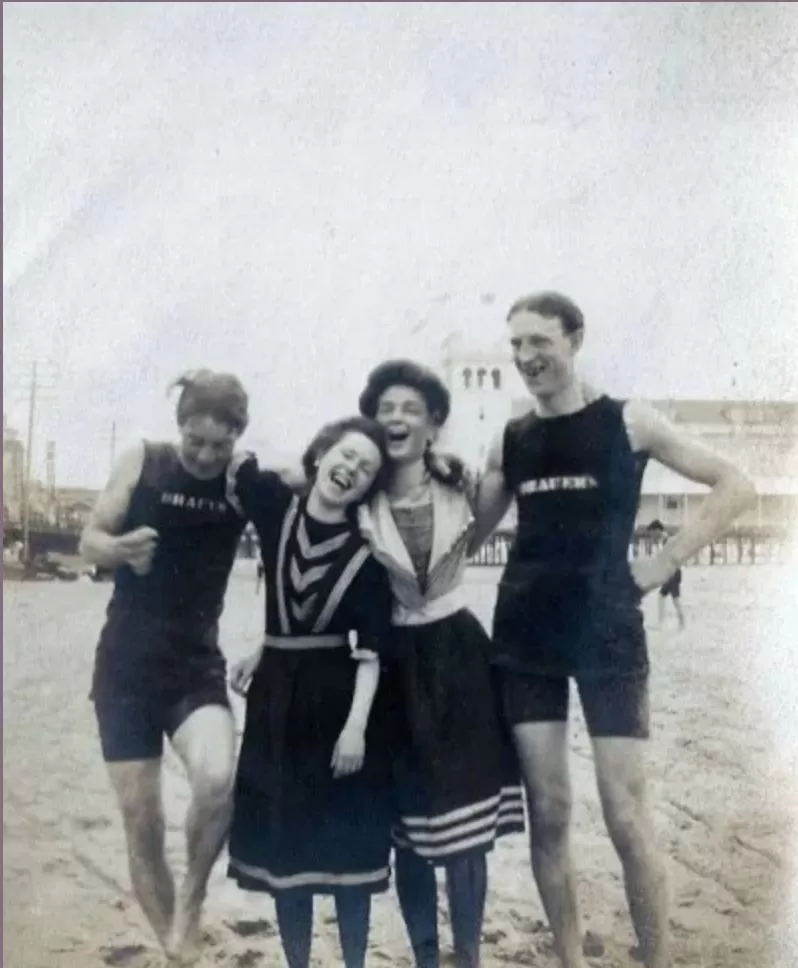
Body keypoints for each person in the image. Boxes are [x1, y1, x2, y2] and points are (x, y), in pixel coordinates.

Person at [474, 292, 756, 968]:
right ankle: (570, 960)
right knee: (549, 809)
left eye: (538, 341)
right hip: (525, 635)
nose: (525, 357)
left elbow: (736, 485)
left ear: (574, 340)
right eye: (515, 344)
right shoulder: (509, 438)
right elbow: (471, 531)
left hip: (608, 633)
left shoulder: (628, 421)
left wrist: (663, 561)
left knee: (626, 815)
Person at [357, 360, 526, 968]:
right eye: (386, 409)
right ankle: (427, 959)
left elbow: (505, 486)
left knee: (464, 830)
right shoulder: (359, 494)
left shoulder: (462, 485)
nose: (397, 418)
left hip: (457, 656)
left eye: (411, 409)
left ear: (433, 423)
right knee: (410, 831)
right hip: (394, 664)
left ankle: (470, 957)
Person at [80, 370, 251, 963]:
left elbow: (317, 499)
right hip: (124, 667)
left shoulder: (241, 479)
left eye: (219, 445)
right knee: (143, 825)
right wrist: (120, 549)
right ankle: (179, 952)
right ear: (179, 429)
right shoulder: (143, 462)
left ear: (237, 437)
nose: (205, 455)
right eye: (194, 441)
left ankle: (193, 901)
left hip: (194, 664)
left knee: (216, 779)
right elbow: (90, 540)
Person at [225, 416, 396, 968]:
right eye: (344, 456)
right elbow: (240, 459)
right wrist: (264, 648)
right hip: (276, 704)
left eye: (366, 469)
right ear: (321, 454)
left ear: (370, 488)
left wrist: (355, 731)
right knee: (285, 861)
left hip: (336, 711)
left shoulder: (369, 557)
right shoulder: (278, 509)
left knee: (349, 864)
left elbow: (371, 655)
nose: (351, 470)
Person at [647, 520, 685, 630]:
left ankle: (680, 623)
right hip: (672, 572)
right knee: (664, 596)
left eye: (652, 532)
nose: (651, 535)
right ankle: (667, 623)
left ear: (657, 530)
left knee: (674, 599)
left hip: (672, 573)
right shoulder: (664, 539)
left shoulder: (666, 540)